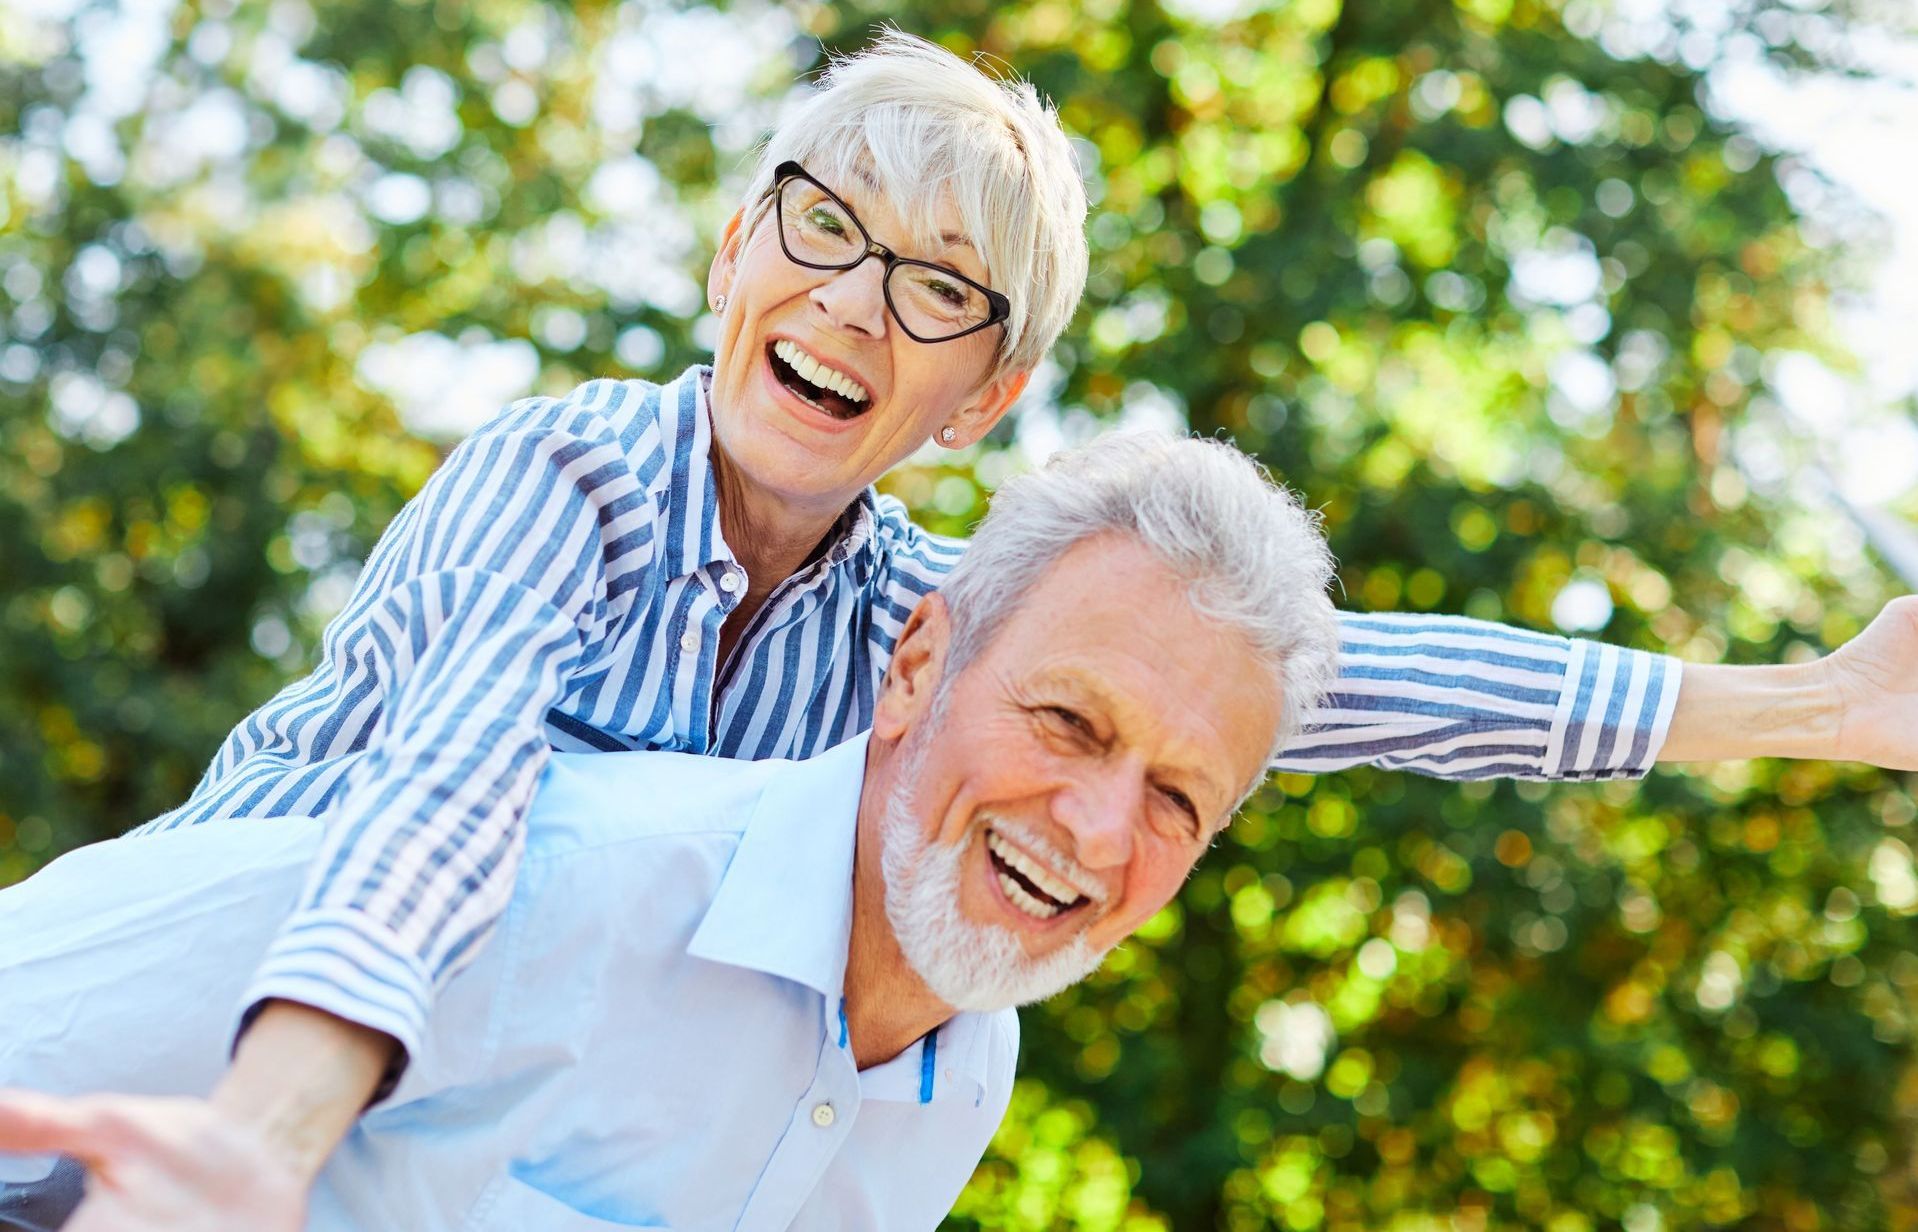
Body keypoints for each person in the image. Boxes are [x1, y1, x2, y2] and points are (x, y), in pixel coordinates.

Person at [26, 29, 1918, 1230]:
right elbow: (436, 817)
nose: (856, 305)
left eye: (938, 288)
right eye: (823, 227)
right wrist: (257, 1145)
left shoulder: (910, 622)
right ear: (731, 255)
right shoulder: (572, 476)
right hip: (159, 1055)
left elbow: (1318, 679)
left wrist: (1815, 705)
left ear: (986, 397)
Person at [0, 433, 1341, 1231]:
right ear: (918, 668)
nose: (1101, 831)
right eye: (1068, 721)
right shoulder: (553, 880)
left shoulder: (961, 1079)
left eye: (1177, 800)